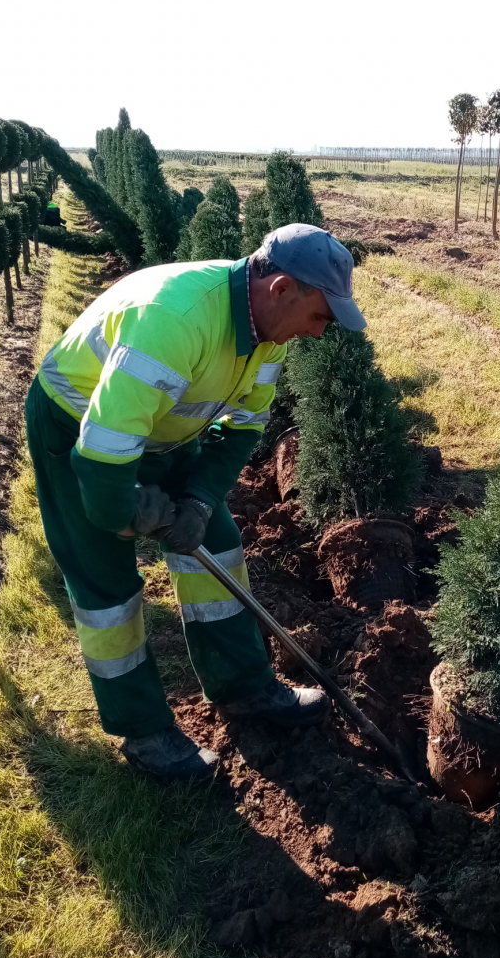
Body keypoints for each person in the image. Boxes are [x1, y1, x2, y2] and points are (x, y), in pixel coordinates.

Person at [25, 223, 367, 780]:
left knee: (217, 545)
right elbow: (104, 449)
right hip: (77, 430)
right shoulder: (176, 320)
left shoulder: (268, 335)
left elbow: (242, 428)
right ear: (281, 289)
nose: (318, 332)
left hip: (161, 430)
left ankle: (243, 688)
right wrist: (123, 514)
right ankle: (143, 731)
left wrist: (201, 501)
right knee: (106, 583)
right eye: (319, 316)